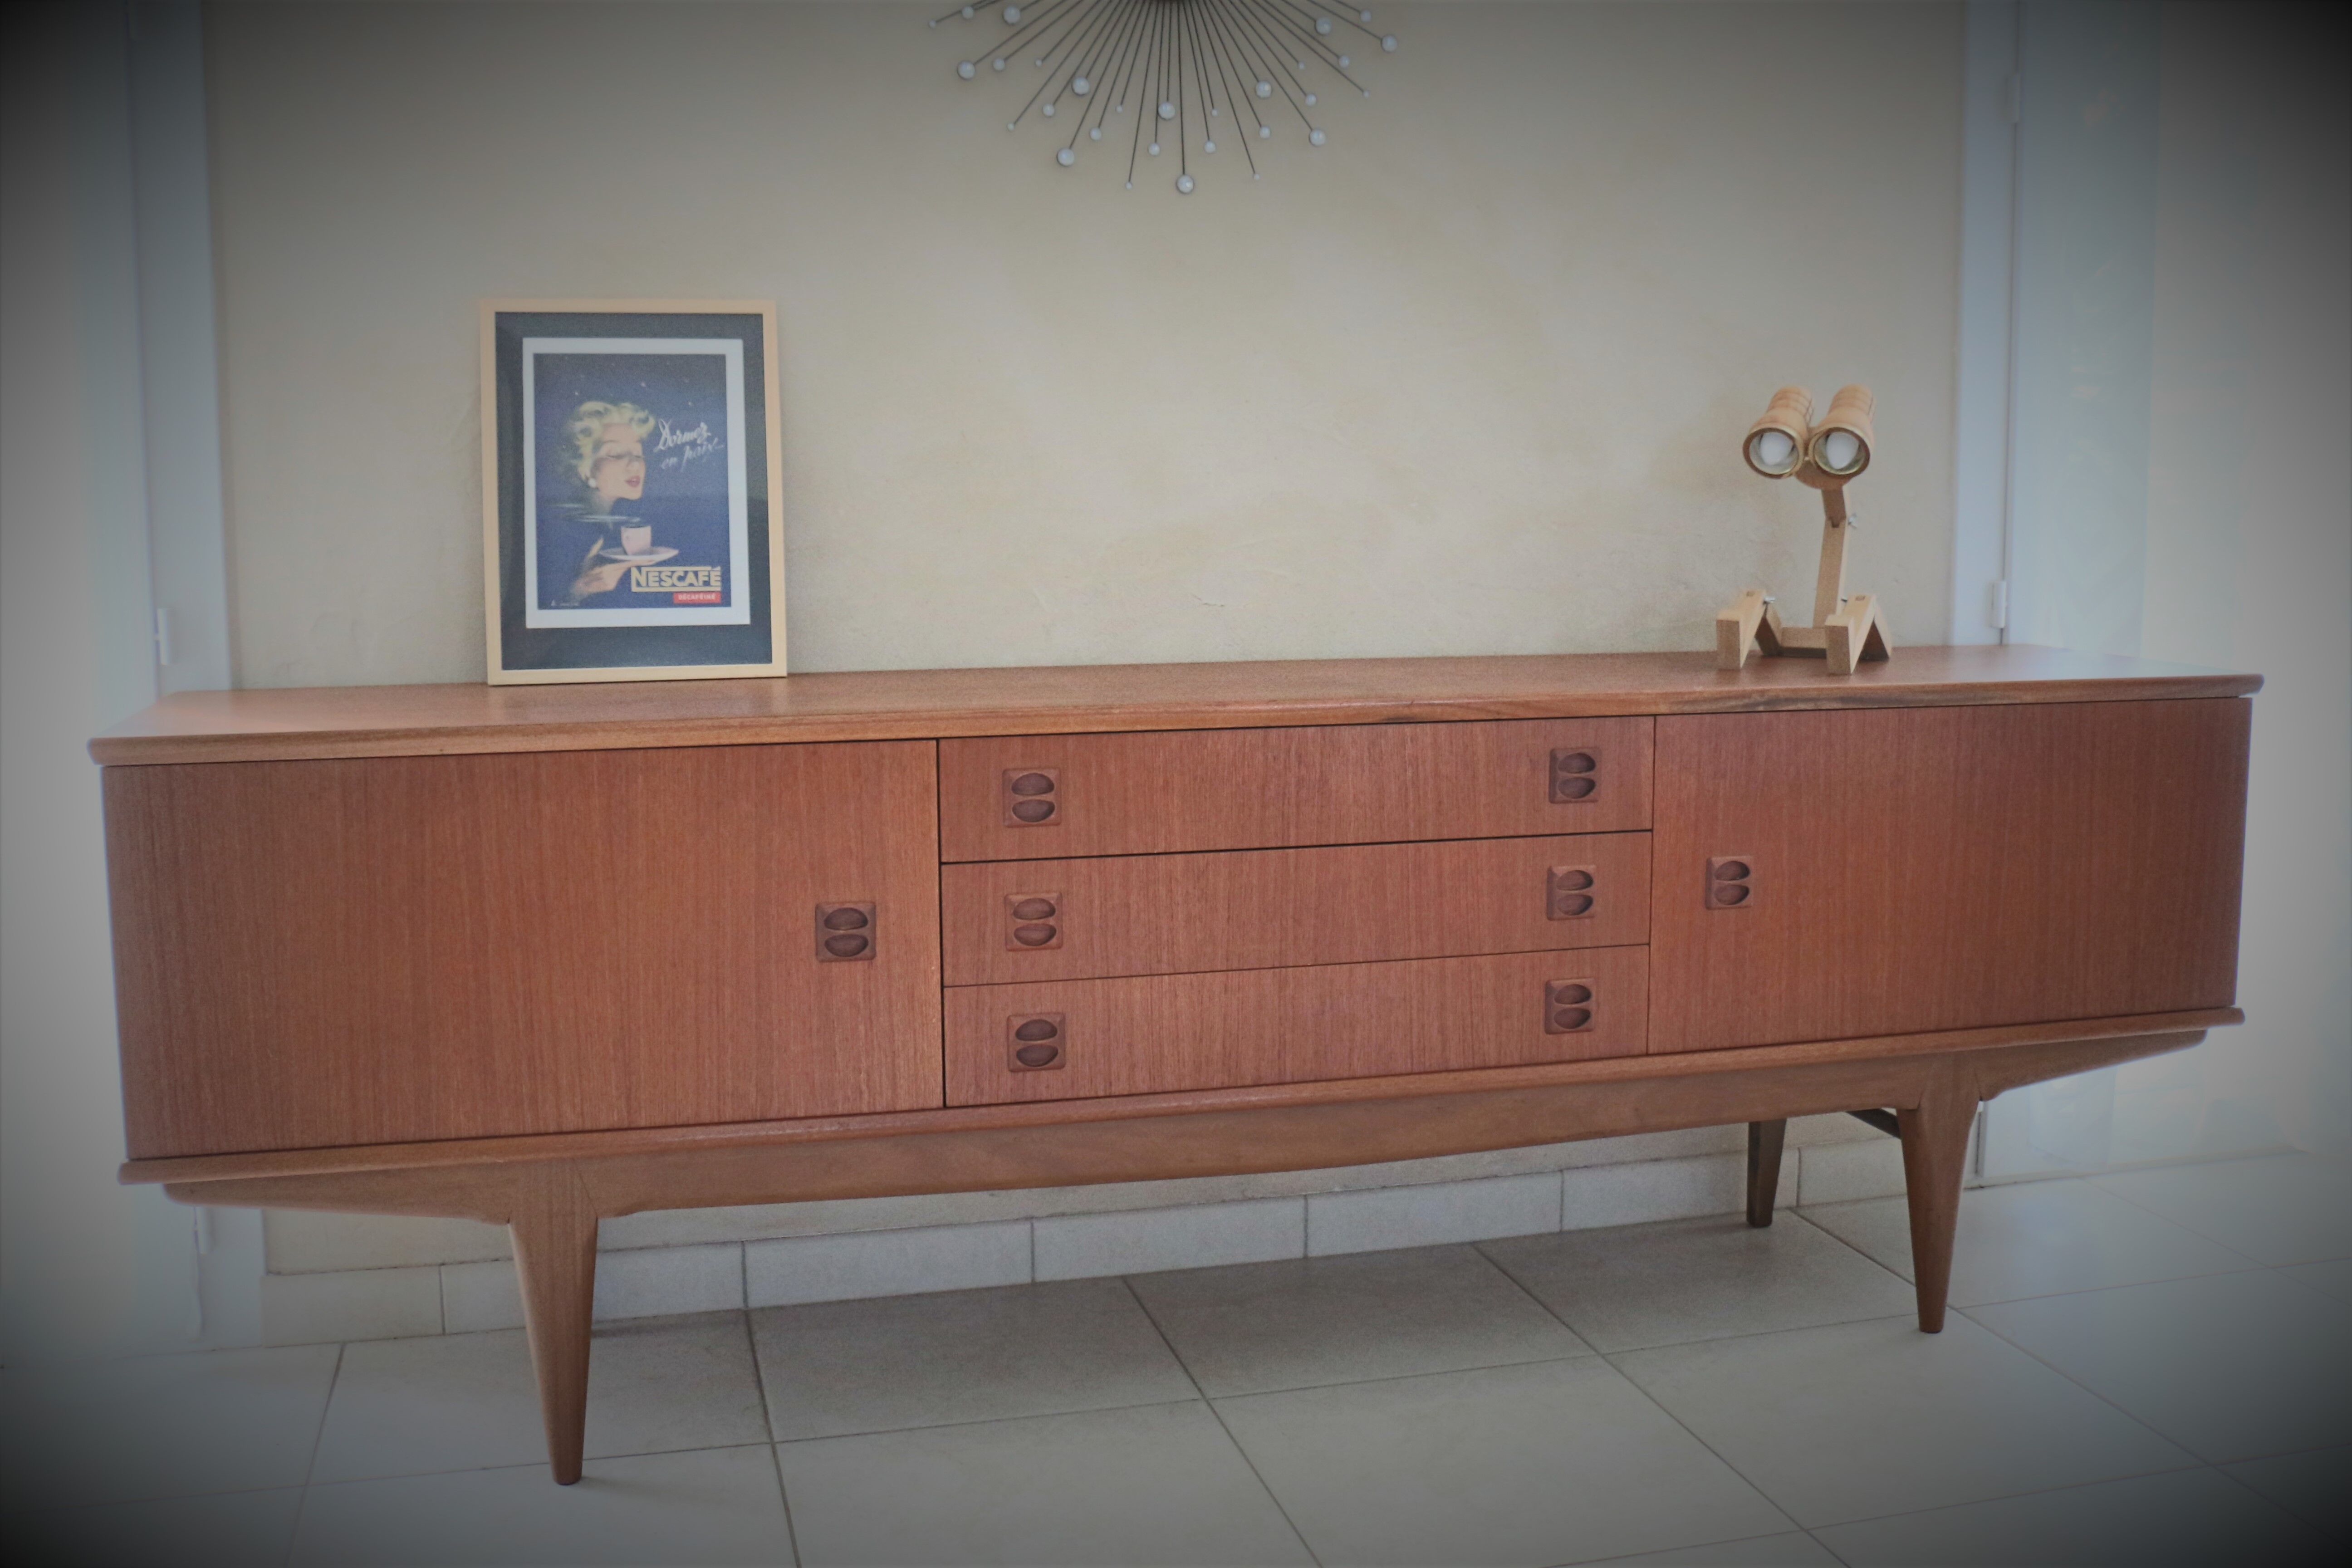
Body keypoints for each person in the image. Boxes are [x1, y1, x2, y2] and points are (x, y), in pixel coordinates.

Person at [544, 399, 655, 606]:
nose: (635, 464)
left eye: (639, 454)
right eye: (616, 454)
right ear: (585, 469)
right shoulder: (571, 530)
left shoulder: (608, 524)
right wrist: (578, 592)